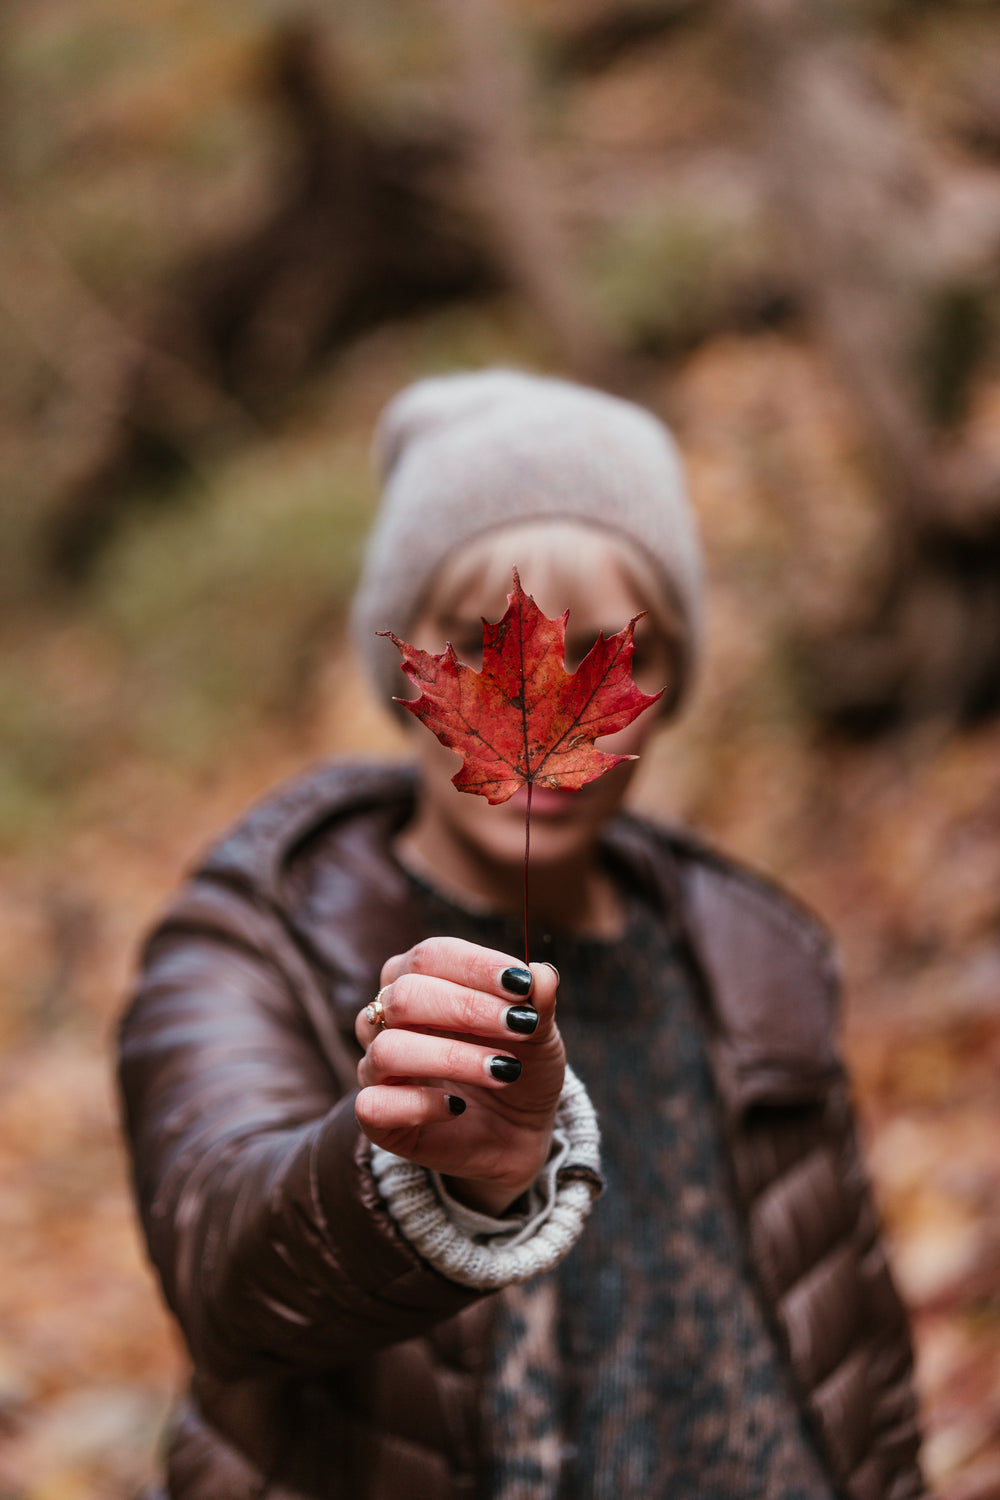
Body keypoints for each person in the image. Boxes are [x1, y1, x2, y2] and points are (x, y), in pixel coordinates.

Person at [118, 370, 928, 1500]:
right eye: (478, 643)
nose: (534, 695)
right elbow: (225, 1277)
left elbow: (858, 1357)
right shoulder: (257, 941)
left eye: (608, 650)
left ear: (665, 681)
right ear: (410, 674)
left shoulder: (756, 955)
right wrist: (421, 1181)